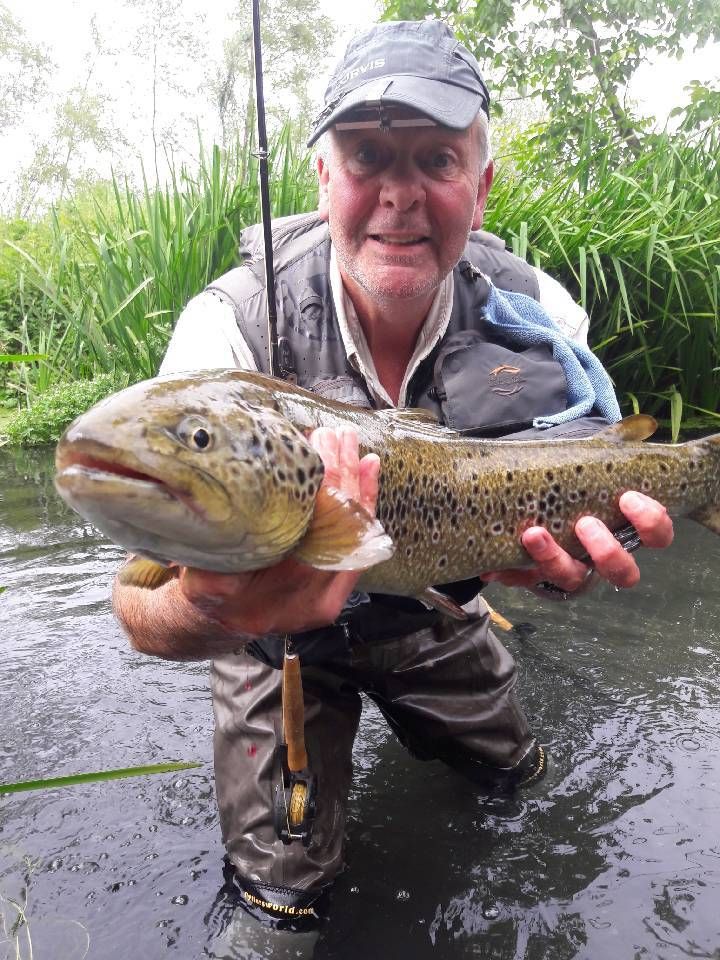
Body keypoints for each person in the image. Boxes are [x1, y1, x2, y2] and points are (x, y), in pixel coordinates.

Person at [113, 18, 673, 941]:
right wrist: (219, 611)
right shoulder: (223, 342)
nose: (400, 196)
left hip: (438, 607)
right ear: (323, 175)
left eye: (438, 159)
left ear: (481, 186)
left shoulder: (536, 317)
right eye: (368, 153)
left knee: (518, 780)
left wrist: (567, 554)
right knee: (279, 910)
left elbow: (594, 474)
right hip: (275, 649)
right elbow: (137, 614)